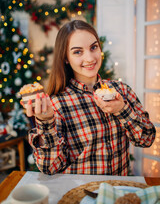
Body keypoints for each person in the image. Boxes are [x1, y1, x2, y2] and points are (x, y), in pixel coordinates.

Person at [22, 20, 156, 175]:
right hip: (81, 195)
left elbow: (146, 139)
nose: (90, 58)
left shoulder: (122, 91)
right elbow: (50, 167)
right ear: (66, 58)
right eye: (78, 52)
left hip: (119, 193)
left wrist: (122, 110)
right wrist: (46, 123)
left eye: (94, 47)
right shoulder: (57, 104)